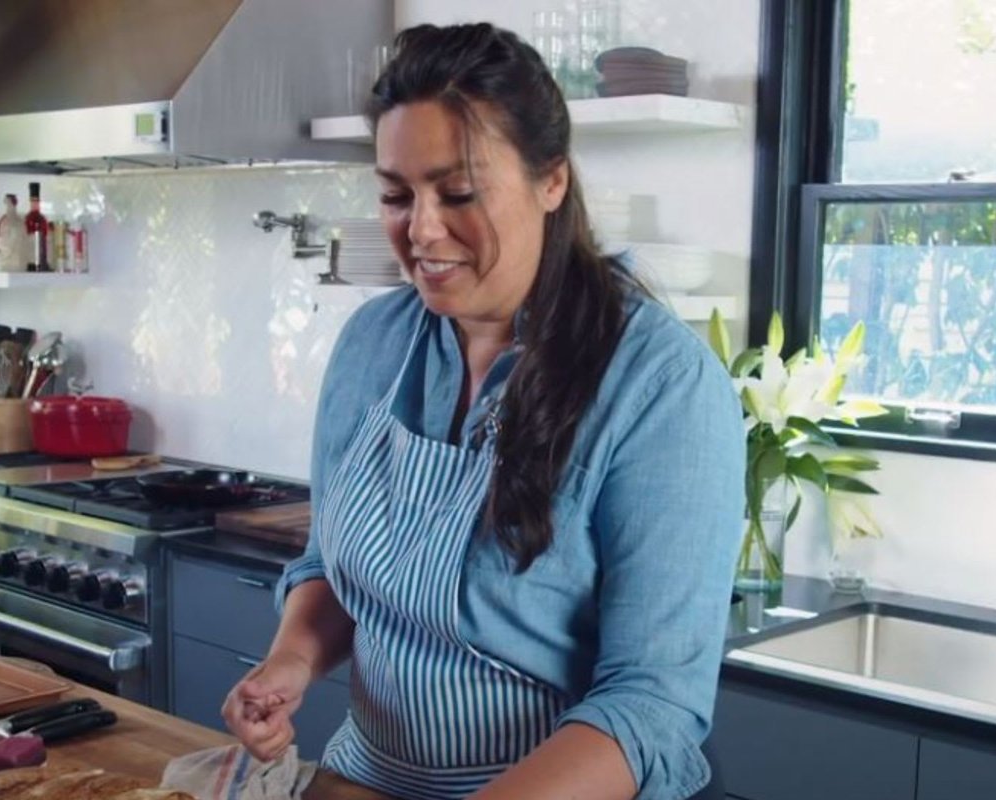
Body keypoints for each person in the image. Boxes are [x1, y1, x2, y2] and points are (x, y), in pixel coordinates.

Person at [223, 22, 744, 800]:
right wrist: (292, 661)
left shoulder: (660, 386)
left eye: (458, 193)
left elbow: (652, 705)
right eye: (397, 195)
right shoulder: (374, 344)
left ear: (552, 182)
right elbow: (331, 566)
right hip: (364, 778)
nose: (421, 230)